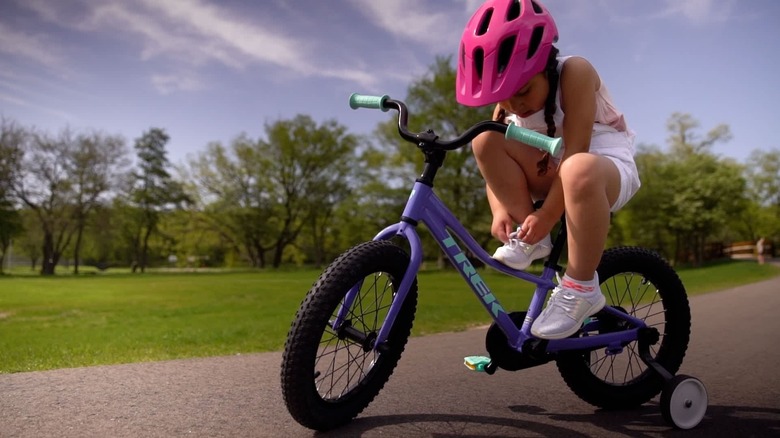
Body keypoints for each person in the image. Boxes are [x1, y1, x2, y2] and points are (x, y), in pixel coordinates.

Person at [455, 0, 641, 340]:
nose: (515, 106)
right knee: (484, 139)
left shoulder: (575, 72)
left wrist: (547, 219)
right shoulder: (508, 105)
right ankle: (532, 242)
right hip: (552, 168)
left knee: (578, 169)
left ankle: (581, 285)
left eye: (523, 91)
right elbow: (492, 166)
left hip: (602, 167)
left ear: (544, 65)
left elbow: (576, 151)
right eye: (506, 98)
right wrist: (503, 210)